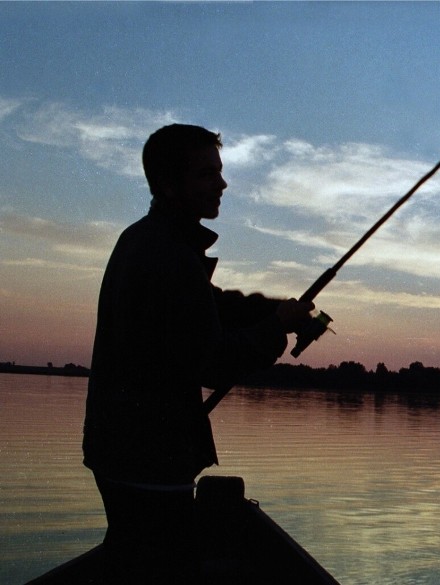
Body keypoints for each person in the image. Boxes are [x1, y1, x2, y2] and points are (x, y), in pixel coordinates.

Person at [82, 124, 314, 583]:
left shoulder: (147, 240)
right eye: (207, 175)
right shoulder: (169, 255)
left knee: (133, 561)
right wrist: (275, 328)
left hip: (123, 451)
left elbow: (205, 307)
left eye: (220, 172)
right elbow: (213, 359)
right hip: (149, 458)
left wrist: (275, 311)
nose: (221, 185)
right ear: (168, 184)